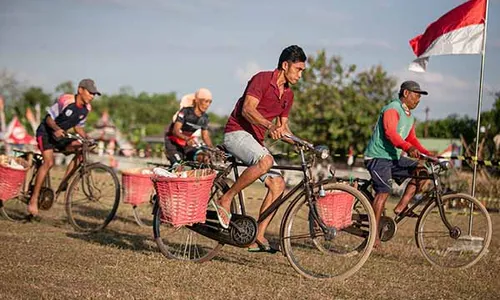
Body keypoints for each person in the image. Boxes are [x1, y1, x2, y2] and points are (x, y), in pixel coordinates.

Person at [213, 45, 307, 252]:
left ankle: (258, 236)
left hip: (255, 142)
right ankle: (225, 198)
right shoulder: (262, 79)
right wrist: (269, 126)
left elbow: (284, 129)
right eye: (298, 69)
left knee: (278, 184)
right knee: (266, 161)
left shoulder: (288, 95)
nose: (301, 75)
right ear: (285, 65)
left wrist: (303, 145)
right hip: (236, 134)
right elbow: (247, 110)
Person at [364, 80, 431, 248]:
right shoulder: (392, 109)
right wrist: (408, 148)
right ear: (406, 93)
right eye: (416, 95)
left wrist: (429, 155)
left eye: (420, 97)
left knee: (422, 171)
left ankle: (402, 206)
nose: (418, 99)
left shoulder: (410, 116)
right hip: (377, 157)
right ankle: (373, 236)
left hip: (393, 158)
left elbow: (412, 139)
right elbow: (390, 133)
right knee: (383, 192)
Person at [27, 79, 100, 219]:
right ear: (80, 90)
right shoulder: (66, 100)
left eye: (94, 94)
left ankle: (63, 183)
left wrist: (87, 138)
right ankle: (33, 200)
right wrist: (56, 129)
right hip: (46, 133)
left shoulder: (87, 109)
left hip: (62, 136)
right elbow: (49, 118)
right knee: (48, 163)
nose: (92, 96)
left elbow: (78, 127)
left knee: (82, 148)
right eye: (90, 93)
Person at [164, 88, 214, 166]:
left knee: (203, 158)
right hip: (173, 144)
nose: (208, 105)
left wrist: (213, 149)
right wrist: (187, 139)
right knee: (179, 167)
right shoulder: (185, 112)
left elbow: (205, 136)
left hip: (187, 145)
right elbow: (175, 131)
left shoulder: (205, 118)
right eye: (205, 101)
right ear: (197, 100)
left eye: (210, 102)